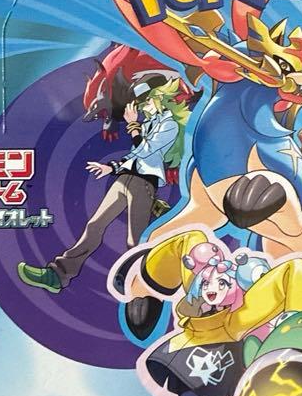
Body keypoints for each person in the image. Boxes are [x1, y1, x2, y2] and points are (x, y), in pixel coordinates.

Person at [17, 75, 180, 294]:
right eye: (141, 103)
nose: (142, 107)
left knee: (135, 240)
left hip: (143, 184)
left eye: (146, 101)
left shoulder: (169, 125)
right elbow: (134, 157)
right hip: (125, 179)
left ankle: (145, 288)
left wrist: (133, 125)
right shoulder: (149, 124)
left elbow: (146, 150)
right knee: (94, 225)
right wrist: (110, 168)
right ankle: (58, 274)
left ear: (160, 97)